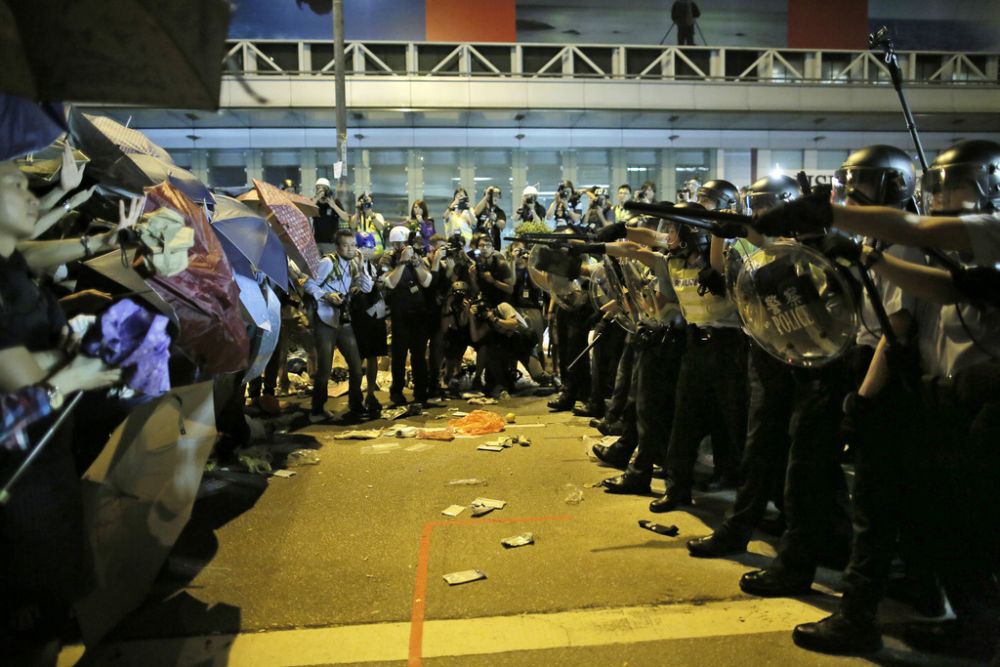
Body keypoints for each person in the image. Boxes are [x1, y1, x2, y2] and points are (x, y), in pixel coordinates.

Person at [303, 229, 370, 423]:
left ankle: (356, 405)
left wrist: (362, 266)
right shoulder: (327, 263)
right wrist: (326, 295)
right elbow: (307, 283)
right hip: (324, 319)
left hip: (342, 319)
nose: (351, 249)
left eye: (353, 245)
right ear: (338, 247)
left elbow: (365, 287)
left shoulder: (353, 264)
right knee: (325, 368)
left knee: (357, 366)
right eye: (347, 246)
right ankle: (317, 410)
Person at [382, 225, 434, 406]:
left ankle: (421, 391)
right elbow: (390, 282)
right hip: (400, 313)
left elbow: (427, 282)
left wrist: (415, 262)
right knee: (399, 355)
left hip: (419, 313)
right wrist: (402, 262)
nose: (405, 247)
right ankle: (396, 391)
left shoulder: (417, 257)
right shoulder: (388, 258)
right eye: (401, 244)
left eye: (406, 244)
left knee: (419, 355)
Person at [350, 231, 389, 419]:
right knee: (358, 357)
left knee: (373, 355)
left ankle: (370, 394)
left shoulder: (372, 265)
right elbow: (363, 287)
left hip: (375, 313)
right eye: (365, 248)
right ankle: (355, 395)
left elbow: (373, 287)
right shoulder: (353, 264)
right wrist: (358, 262)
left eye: (371, 248)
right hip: (360, 316)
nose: (368, 251)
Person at [312, 177, 350, 254]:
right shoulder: (313, 202)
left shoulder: (334, 202)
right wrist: (316, 199)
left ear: (327, 190)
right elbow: (305, 213)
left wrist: (333, 206)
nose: (320, 190)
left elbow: (346, 218)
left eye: (323, 188)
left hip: (331, 243)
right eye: (318, 188)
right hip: (316, 242)